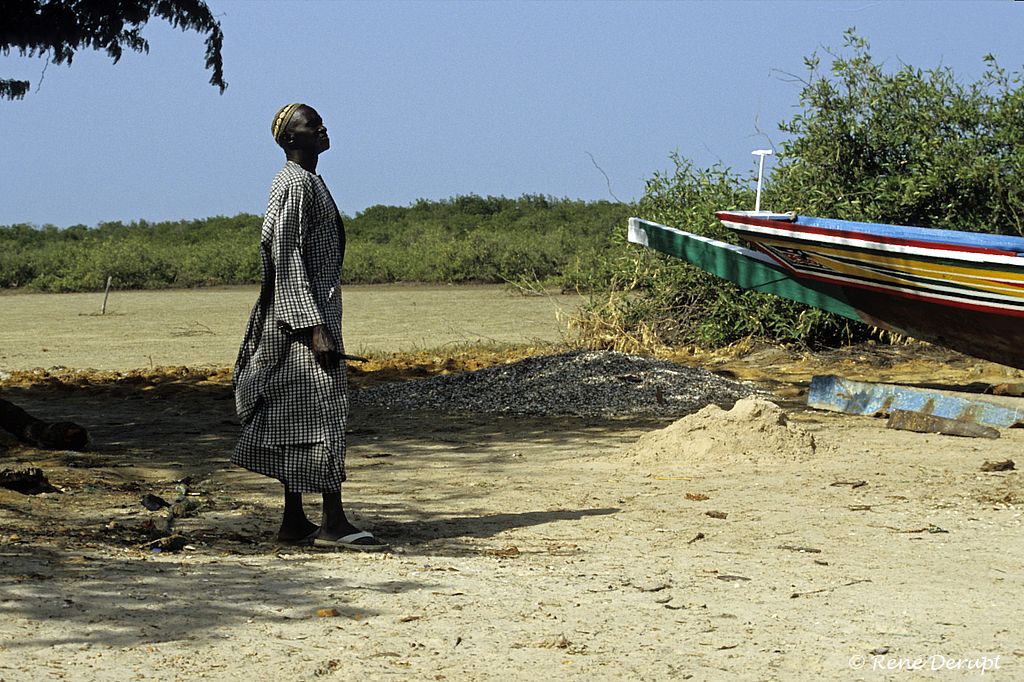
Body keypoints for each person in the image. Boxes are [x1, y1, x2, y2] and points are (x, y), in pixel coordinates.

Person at [232, 103, 386, 551]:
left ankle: (294, 520)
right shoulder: (295, 185)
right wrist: (314, 328)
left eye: (320, 122)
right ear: (290, 140)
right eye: (311, 125)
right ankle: (333, 523)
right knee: (323, 414)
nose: (322, 129)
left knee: (292, 417)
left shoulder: (309, 180)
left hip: (300, 319)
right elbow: (286, 256)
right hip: (302, 323)